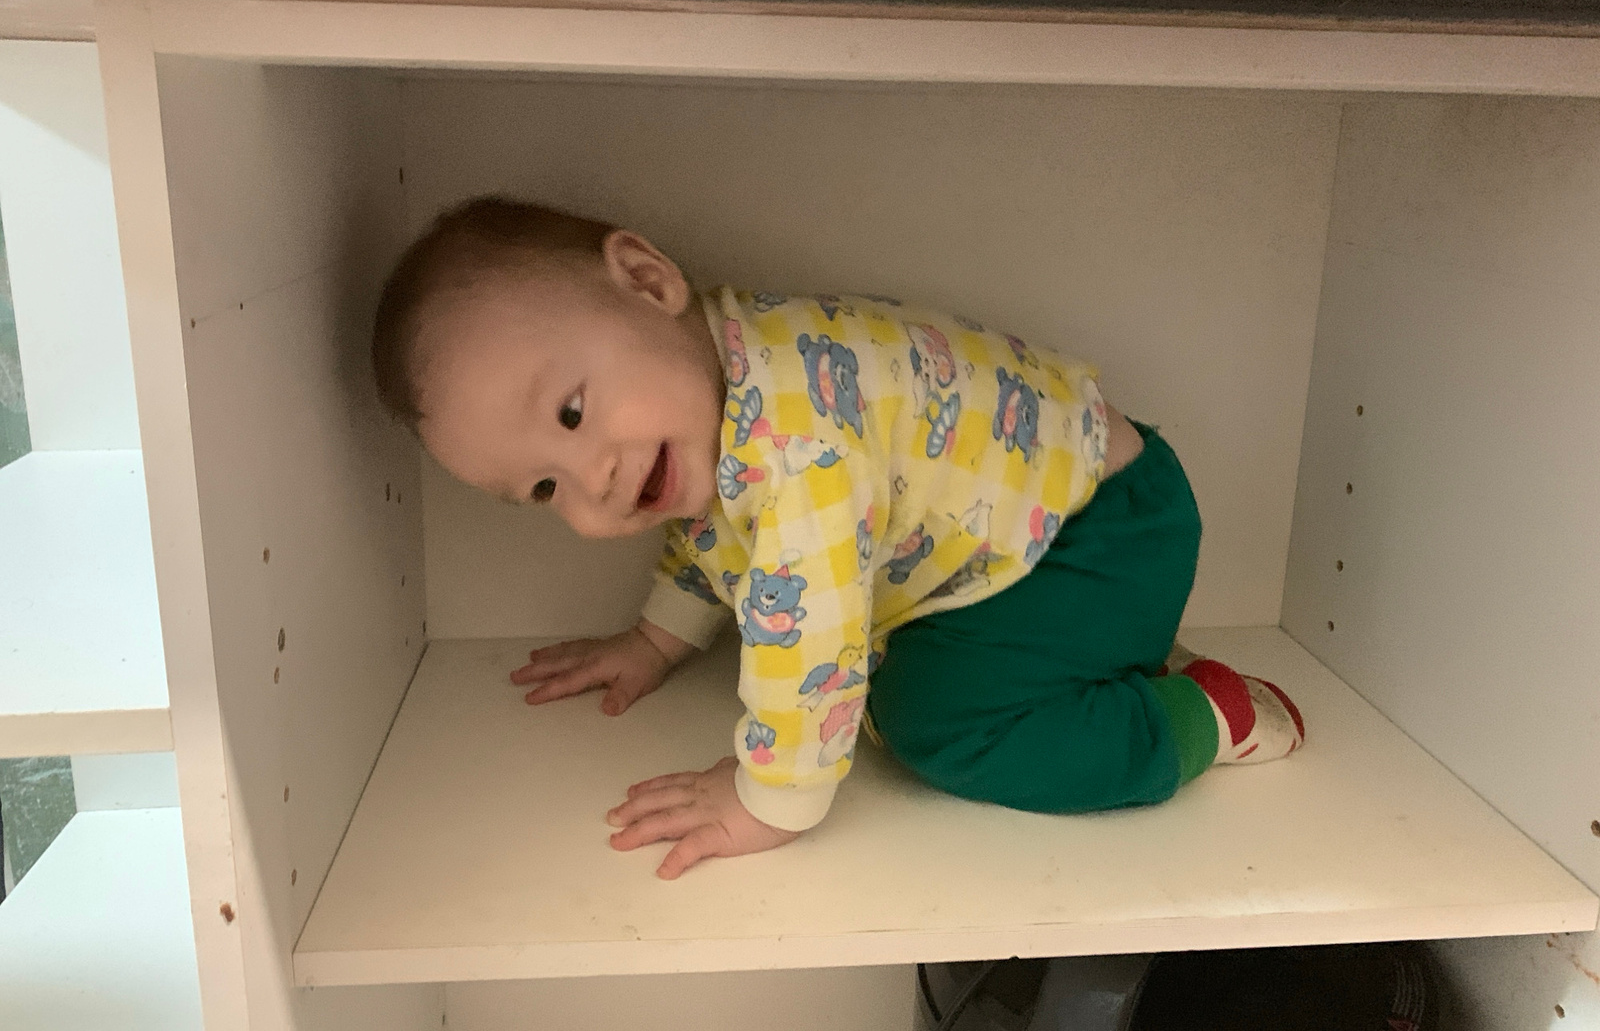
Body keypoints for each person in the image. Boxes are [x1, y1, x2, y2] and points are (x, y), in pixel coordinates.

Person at [371, 198, 1304, 880]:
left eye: (572, 414)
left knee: (930, 724)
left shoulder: (796, 445)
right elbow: (718, 536)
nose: (594, 483)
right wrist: (656, 640)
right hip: (1067, 527)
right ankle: (1114, 658)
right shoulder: (730, 370)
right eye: (544, 488)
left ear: (648, 281)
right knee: (902, 682)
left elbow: (809, 634)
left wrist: (768, 800)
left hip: (1097, 539)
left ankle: (1202, 716)